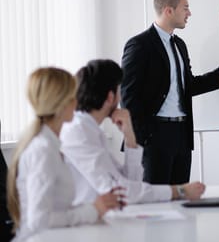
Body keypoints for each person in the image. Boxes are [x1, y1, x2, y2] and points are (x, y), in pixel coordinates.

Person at [121, 0, 219, 185]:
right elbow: (128, 96)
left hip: (181, 135)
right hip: (154, 136)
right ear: (168, 10)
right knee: (157, 204)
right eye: (185, 8)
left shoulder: (179, 45)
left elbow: (189, 86)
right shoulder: (139, 45)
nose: (189, 13)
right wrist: (144, 137)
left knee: (180, 200)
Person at [61, 59, 205, 205]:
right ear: (111, 97)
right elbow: (123, 193)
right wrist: (180, 191)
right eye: (119, 90)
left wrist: (129, 137)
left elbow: (130, 182)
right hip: (84, 221)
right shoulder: (79, 133)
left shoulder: (90, 130)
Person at [6, 67, 122, 241]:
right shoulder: (42, 150)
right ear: (61, 104)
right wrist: (92, 210)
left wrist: (94, 207)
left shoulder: (51, 145)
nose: (77, 103)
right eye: (73, 97)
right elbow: (39, 220)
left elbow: (57, 207)